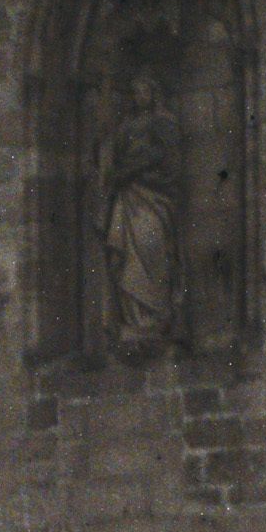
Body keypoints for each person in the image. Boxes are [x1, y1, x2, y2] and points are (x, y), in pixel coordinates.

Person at [96, 75, 183, 349]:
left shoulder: (165, 122)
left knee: (152, 247)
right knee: (129, 258)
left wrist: (138, 167)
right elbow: (113, 161)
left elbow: (170, 161)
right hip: (129, 197)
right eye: (134, 92)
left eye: (143, 90)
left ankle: (155, 317)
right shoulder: (126, 127)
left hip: (155, 198)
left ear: (153, 92)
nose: (138, 96)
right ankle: (134, 320)